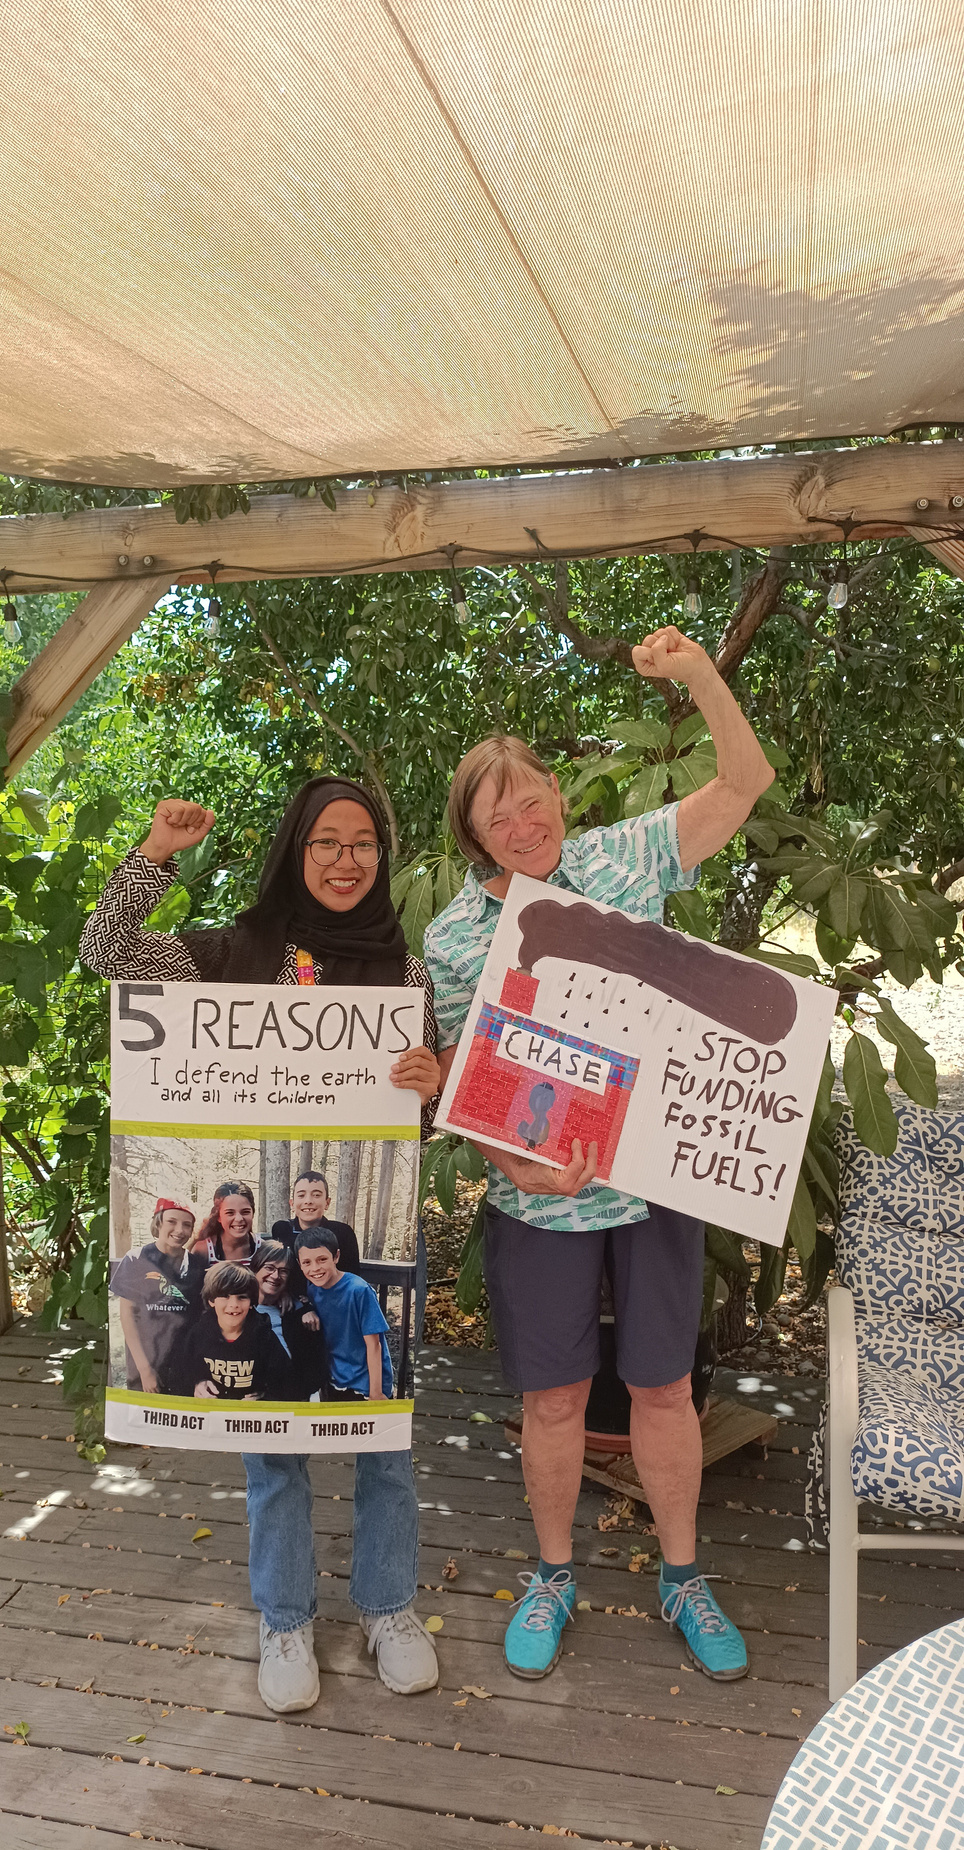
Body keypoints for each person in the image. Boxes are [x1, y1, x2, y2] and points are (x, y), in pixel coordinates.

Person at [425, 626, 774, 1685]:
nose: (523, 823)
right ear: (474, 835)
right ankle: (551, 1575)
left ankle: (683, 1577)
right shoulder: (451, 937)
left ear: (558, 797)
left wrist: (697, 674)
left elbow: (744, 782)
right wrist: (516, 1166)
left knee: (665, 1391)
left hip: (658, 1181)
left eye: (533, 799)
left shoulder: (627, 856)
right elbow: (467, 1080)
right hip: (540, 1205)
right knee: (555, 1401)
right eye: (498, 816)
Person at [80, 774, 440, 1712]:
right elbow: (105, 953)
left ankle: (388, 1607)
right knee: (271, 1437)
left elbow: (418, 1127)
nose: (346, 860)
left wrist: (429, 1084)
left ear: (382, 856)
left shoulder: (405, 977)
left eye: (363, 843)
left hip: (354, 1295)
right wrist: (155, 854)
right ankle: (286, 1618)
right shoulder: (233, 954)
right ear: (295, 849)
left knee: (383, 1443)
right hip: (285, 1302)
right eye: (326, 842)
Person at [110, 1198, 205, 1393]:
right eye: (172, 1221)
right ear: (158, 1223)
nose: (179, 1230)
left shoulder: (197, 1265)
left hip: (184, 1366)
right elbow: (127, 1317)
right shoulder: (136, 1259)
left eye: (187, 1225)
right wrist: (145, 1370)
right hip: (145, 1361)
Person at [295, 1228, 393, 1400]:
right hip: (335, 1381)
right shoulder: (312, 1289)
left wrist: (376, 1392)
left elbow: (374, 1345)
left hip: (366, 1385)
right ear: (299, 1264)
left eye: (322, 1259)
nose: (315, 1268)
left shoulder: (359, 1290)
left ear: (336, 1257)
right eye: (307, 1262)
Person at [175, 1261, 292, 1401]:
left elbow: (286, 1382)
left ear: (251, 1302)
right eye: (225, 1296)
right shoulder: (198, 1334)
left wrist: (265, 1398)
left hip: (250, 1412)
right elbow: (179, 1375)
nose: (234, 1304)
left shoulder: (264, 1336)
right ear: (212, 1300)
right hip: (211, 1410)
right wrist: (197, 1384)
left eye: (242, 1297)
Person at [251, 1240, 330, 1400]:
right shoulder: (237, 1309)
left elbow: (315, 1372)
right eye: (269, 1268)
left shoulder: (299, 1315)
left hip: (287, 1400)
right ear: (255, 1269)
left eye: (283, 1271)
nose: (275, 1276)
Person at [272, 1170, 361, 1276]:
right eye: (301, 1195)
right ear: (292, 1204)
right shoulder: (282, 1230)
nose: (308, 1201)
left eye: (316, 1195)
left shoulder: (342, 1233)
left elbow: (351, 1276)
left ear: (327, 1203)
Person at [191, 1180, 264, 1266]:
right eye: (230, 1213)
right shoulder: (204, 1250)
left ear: (253, 1213)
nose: (239, 1219)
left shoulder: (262, 1249)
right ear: (219, 1216)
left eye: (245, 1212)